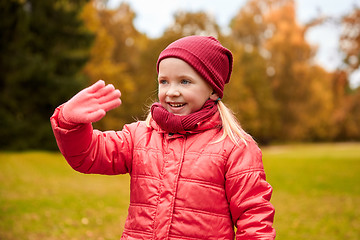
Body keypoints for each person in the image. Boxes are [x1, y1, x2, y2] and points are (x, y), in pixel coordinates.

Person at [50, 35, 276, 239]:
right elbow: (89, 155)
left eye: (184, 81)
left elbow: (254, 217)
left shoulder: (234, 146)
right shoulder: (140, 136)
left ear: (213, 89)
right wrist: (70, 123)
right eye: (164, 81)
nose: (171, 91)